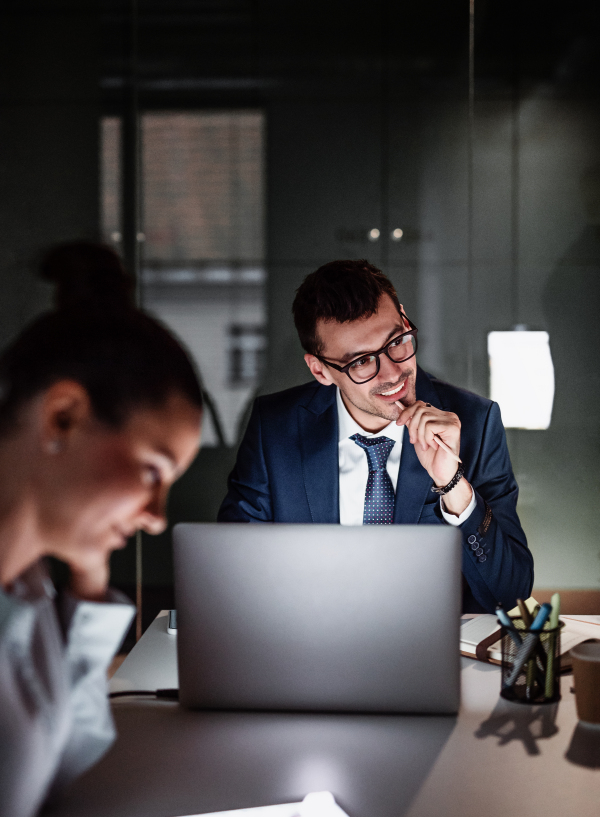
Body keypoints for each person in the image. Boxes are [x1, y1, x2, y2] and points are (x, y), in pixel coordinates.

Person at [0, 242, 203, 817]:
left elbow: (60, 760)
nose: (158, 518)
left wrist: (89, 579)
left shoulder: (28, 587)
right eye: (151, 471)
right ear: (63, 414)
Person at [218, 259, 533, 613]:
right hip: (311, 646)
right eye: (361, 362)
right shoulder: (273, 428)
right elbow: (234, 576)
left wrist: (453, 484)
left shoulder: (475, 421)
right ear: (320, 370)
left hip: (432, 654)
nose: (394, 372)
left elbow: (511, 596)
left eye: (396, 341)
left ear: (402, 317)